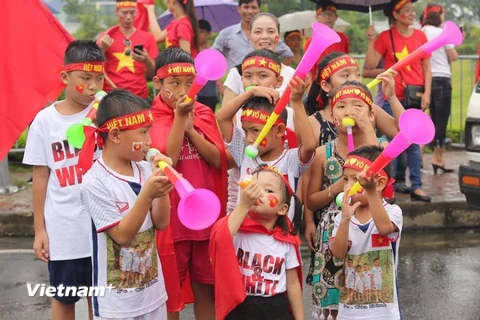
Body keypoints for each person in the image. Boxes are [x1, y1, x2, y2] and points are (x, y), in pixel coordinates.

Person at [22, 40, 105, 320]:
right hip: (64, 230)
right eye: (85, 78)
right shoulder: (45, 121)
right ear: (65, 77)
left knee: (102, 298)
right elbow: (41, 176)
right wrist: (39, 230)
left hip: (104, 226)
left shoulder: (106, 116)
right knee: (64, 297)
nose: (93, 86)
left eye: (99, 78)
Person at [306, 79, 400, 319]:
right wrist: (336, 188)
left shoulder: (382, 147)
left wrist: (369, 129)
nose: (349, 111)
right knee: (333, 303)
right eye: (341, 106)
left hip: (369, 235)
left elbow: (386, 192)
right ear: (332, 116)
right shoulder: (321, 153)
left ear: (371, 113)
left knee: (367, 296)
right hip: (334, 231)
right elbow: (311, 200)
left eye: (357, 106)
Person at [149, 47, 228, 319]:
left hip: (206, 219)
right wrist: (180, 119)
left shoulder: (204, 113)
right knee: (169, 293)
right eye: (174, 83)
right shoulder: (151, 118)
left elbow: (219, 160)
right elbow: (167, 160)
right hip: (172, 223)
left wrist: (192, 130)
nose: (184, 90)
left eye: (189, 82)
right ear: (157, 83)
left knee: (207, 289)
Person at [80, 89, 172, 318]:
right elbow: (122, 236)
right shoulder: (94, 181)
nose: (149, 141)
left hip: (152, 294)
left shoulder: (142, 169)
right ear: (116, 135)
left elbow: (161, 223)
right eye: (142, 133)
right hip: (116, 305)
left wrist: (162, 185)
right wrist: (148, 194)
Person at [209, 164, 304, 320]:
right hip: (241, 305)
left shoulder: (286, 240)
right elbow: (219, 239)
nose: (259, 193)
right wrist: (243, 205)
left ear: (282, 209)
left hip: (275, 307)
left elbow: (292, 284)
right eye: (255, 187)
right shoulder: (238, 230)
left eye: (268, 191)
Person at [217, 76, 316, 223]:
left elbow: (309, 145)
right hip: (245, 240)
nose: (249, 139)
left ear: (279, 130)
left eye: (255, 131)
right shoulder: (244, 154)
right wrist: (251, 93)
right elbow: (222, 117)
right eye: (245, 131)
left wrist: (296, 102)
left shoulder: (291, 160)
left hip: (281, 241)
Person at [365, 0, 432, 202]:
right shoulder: (385, 37)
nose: (412, 13)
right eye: (407, 10)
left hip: (416, 95)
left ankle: (417, 186)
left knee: (413, 143)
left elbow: (427, 67)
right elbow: (368, 67)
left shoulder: (421, 36)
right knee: (390, 145)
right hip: (391, 98)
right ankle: (387, 188)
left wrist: (428, 92)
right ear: (395, 14)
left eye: (413, 10)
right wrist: (371, 41)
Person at [330, 145, 403, 319]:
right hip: (349, 312)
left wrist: (370, 192)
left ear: (379, 183)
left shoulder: (393, 211)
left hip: (384, 313)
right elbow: (338, 253)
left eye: (355, 180)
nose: (347, 186)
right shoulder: (342, 217)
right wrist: (345, 219)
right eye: (345, 179)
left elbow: (385, 228)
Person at [221, 13, 296, 108]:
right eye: (258, 32)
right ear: (250, 37)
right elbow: (223, 116)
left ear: (278, 36)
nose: (264, 36)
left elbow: (296, 117)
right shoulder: (237, 73)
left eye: (271, 31)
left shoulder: (292, 75)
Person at [421, 3, 457, 174]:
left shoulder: (420, 32)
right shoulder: (442, 33)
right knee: (440, 122)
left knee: (426, 120)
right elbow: (454, 57)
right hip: (442, 79)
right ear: (439, 16)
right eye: (443, 15)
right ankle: (438, 158)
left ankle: (418, 156)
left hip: (424, 80)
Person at [97, 0, 158, 99]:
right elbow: (96, 68)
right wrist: (102, 49)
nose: (128, 17)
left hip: (139, 97)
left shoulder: (148, 38)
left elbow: (153, 75)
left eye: (132, 12)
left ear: (137, 12)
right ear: (116, 12)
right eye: (124, 12)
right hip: (112, 95)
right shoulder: (106, 37)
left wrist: (147, 60)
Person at [212, 0, 293, 69]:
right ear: (239, 9)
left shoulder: (268, 36)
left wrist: (278, 73)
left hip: (262, 84)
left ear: (259, 9)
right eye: (246, 7)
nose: (250, 11)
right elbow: (213, 56)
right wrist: (219, 83)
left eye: (253, 7)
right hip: (235, 84)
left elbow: (288, 54)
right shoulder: (226, 33)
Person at [304, 2, 350, 81]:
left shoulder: (343, 38)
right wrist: (310, 92)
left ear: (336, 17)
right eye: (324, 14)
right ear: (317, 16)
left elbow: (346, 62)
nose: (328, 17)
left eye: (331, 14)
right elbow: (309, 71)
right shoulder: (310, 41)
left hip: (339, 84)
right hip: (319, 85)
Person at [196, 19, 223, 112]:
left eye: (201, 32)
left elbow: (218, 76)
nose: (199, 35)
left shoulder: (213, 52)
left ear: (208, 33)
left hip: (210, 94)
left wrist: (222, 91)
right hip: (195, 94)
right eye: (196, 32)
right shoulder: (191, 51)